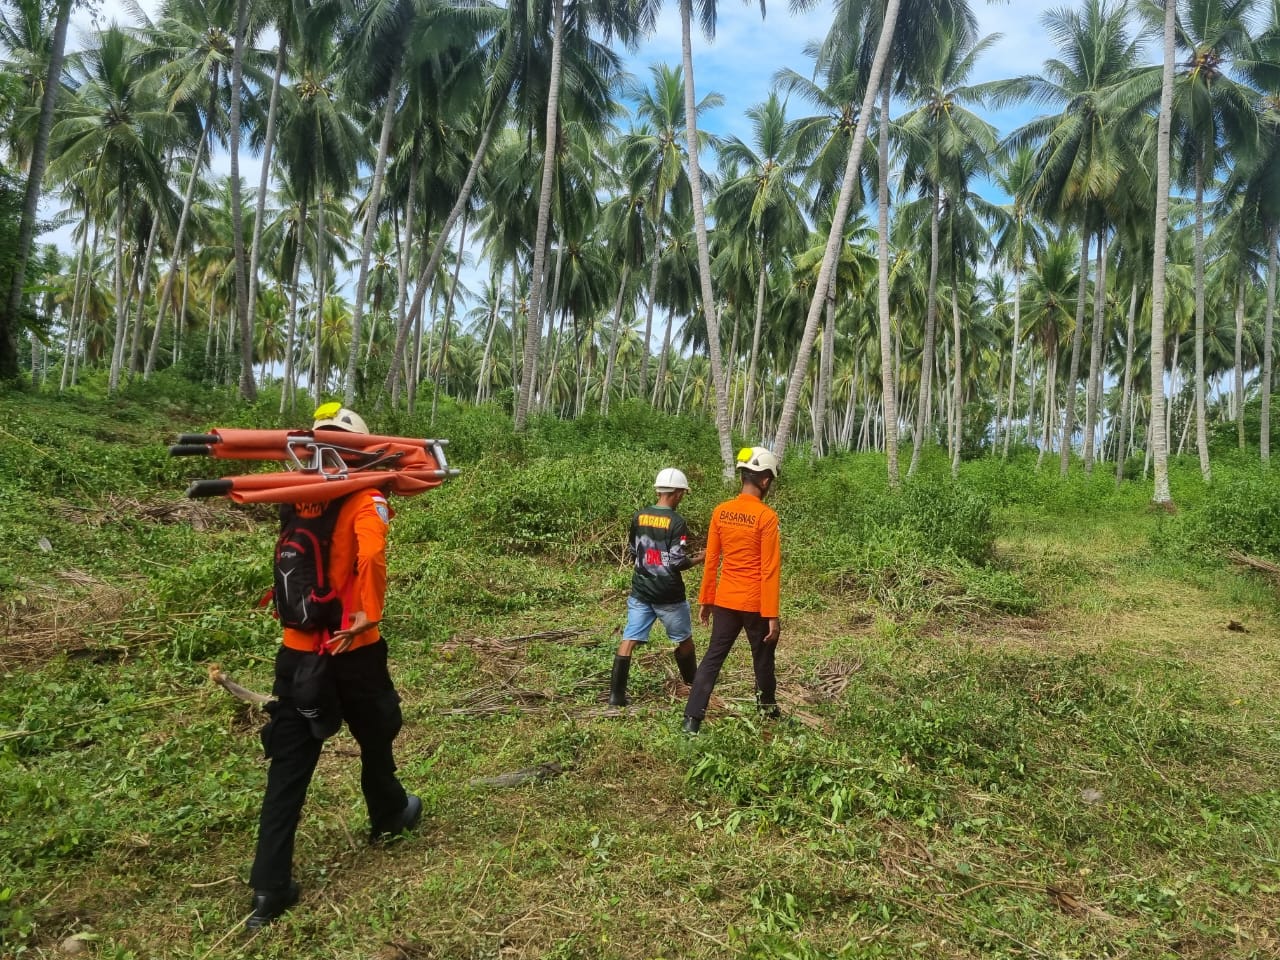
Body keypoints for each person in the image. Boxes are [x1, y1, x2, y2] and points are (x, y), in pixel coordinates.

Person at [246, 404, 421, 931]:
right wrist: (368, 610)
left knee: (289, 762)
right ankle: (388, 813)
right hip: (355, 646)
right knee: (378, 729)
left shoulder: (300, 496)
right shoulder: (365, 496)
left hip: (298, 649)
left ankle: (269, 887)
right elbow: (372, 555)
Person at [682, 447, 782, 735]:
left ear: (743, 476)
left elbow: (712, 559)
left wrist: (706, 600)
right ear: (764, 481)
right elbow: (769, 569)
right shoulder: (766, 517)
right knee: (762, 658)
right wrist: (772, 615)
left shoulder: (721, 512)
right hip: (755, 603)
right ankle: (768, 711)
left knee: (713, 657)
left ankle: (691, 719)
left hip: (725, 600)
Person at [609, 468, 705, 707]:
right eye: (683, 493)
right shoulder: (676, 521)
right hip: (668, 594)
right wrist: (700, 559)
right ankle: (693, 685)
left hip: (641, 590)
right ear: (677, 493)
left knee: (629, 639)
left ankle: (616, 696)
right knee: (685, 641)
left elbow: (633, 551)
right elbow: (676, 561)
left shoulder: (639, 516)